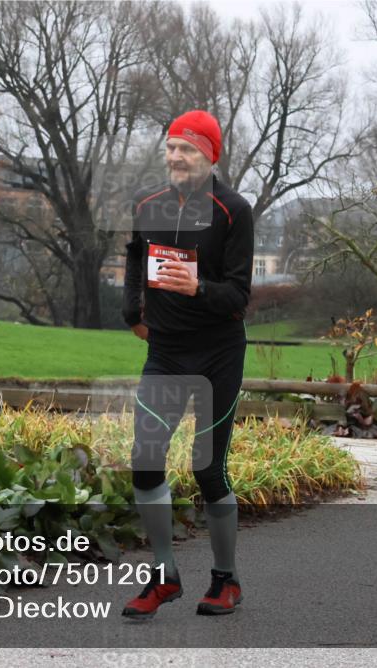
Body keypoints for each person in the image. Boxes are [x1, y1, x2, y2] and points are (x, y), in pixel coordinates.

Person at [119, 110, 254, 619]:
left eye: (188, 149)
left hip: (219, 353)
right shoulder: (147, 203)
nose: (176, 157)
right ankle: (164, 576)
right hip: (167, 353)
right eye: (172, 147)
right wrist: (134, 311)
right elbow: (136, 255)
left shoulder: (233, 211)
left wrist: (198, 287)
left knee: (207, 468)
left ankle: (226, 579)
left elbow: (239, 294)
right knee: (145, 459)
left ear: (210, 156)